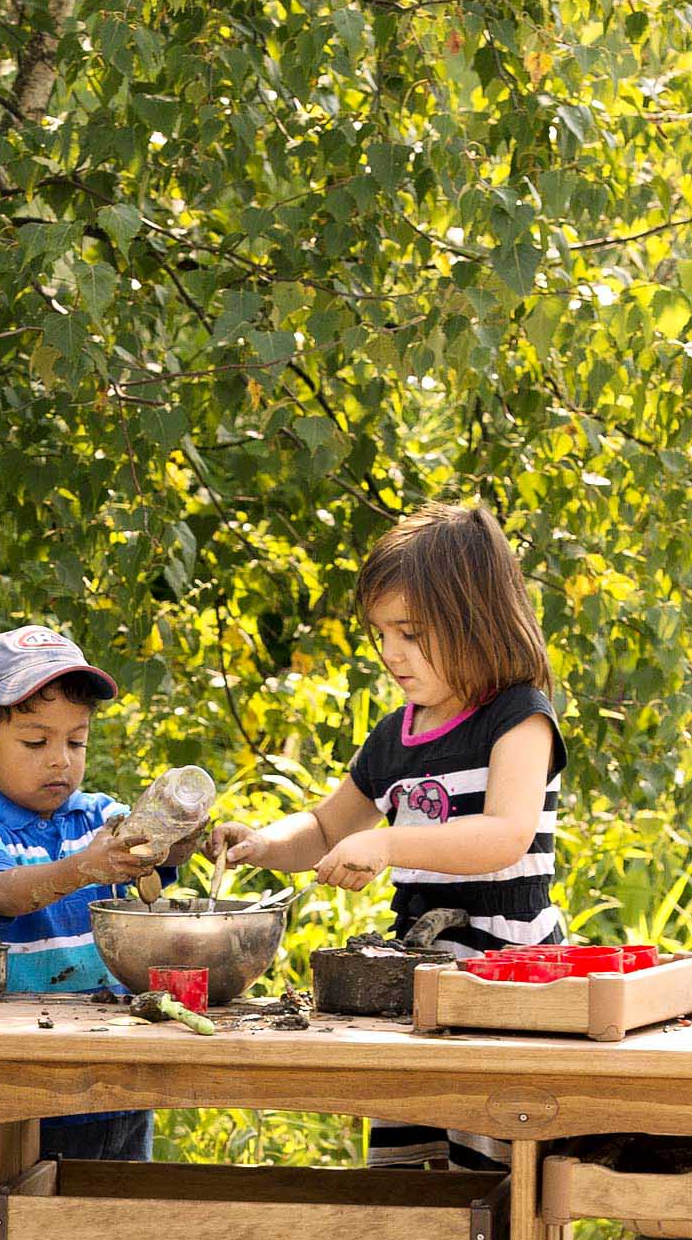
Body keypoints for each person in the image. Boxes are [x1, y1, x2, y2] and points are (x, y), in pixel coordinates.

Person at [208, 500, 566, 1167]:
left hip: (505, 982)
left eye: (411, 632)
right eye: (381, 634)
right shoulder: (397, 733)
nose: (391, 654)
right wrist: (261, 843)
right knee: (408, 1160)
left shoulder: (519, 717)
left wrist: (390, 843)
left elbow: (505, 835)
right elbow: (325, 826)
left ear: (477, 620)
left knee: (489, 1162)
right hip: (417, 979)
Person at [0, 624, 201, 1162]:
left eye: (76, 740)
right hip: (29, 1078)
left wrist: (182, 840)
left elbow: (151, 861)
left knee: (124, 1216)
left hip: (119, 1067)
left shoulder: (102, 816)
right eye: (36, 742)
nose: (60, 759)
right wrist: (82, 868)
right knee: (31, 1223)